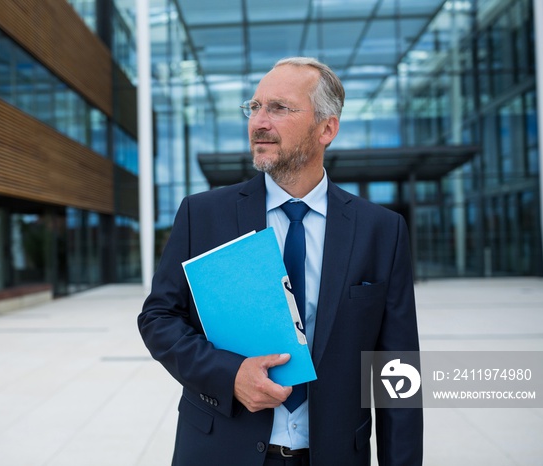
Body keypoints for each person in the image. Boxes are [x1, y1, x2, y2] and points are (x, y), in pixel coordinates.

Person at [138, 57, 422, 466]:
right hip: (221, 451)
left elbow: (397, 371)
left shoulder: (381, 230)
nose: (259, 122)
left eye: (279, 108)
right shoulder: (203, 215)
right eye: (254, 107)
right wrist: (229, 375)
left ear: (327, 128)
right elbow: (158, 318)